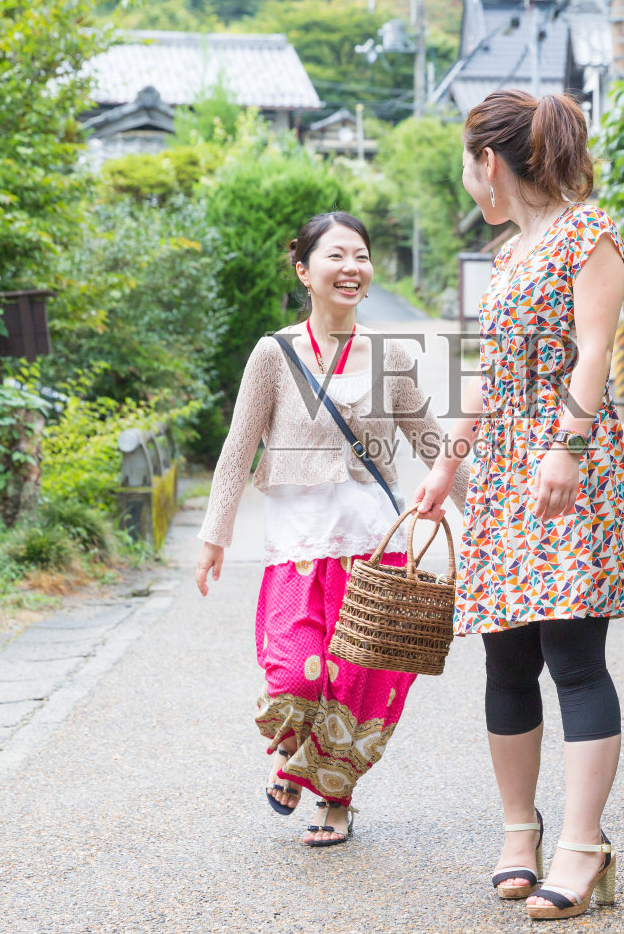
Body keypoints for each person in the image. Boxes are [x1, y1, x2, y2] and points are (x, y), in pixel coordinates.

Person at [415, 90, 624, 919]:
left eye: (466, 163)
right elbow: (487, 374)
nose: (466, 179)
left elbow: (596, 349)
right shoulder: (510, 254)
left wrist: (568, 445)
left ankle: (583, 846)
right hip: (504, 478)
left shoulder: (588, 233)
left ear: (488, 161)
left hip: (566, 468)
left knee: (574, 656)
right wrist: (446, 465)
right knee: (508, 659)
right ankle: (519, 831)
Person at [195, 211, 468, 847]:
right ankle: (296, 755)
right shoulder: (274, 353)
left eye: (361, 256)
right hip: (297, 547)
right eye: (336, 256)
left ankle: (335, 799)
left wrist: (486, 513)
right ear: (303, 270)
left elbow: (432, 443)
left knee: (355, 686)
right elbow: (238, 449)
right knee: (296, 676)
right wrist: (215, 534)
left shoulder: (391, 355)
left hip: (373, 551)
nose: (351, 268)